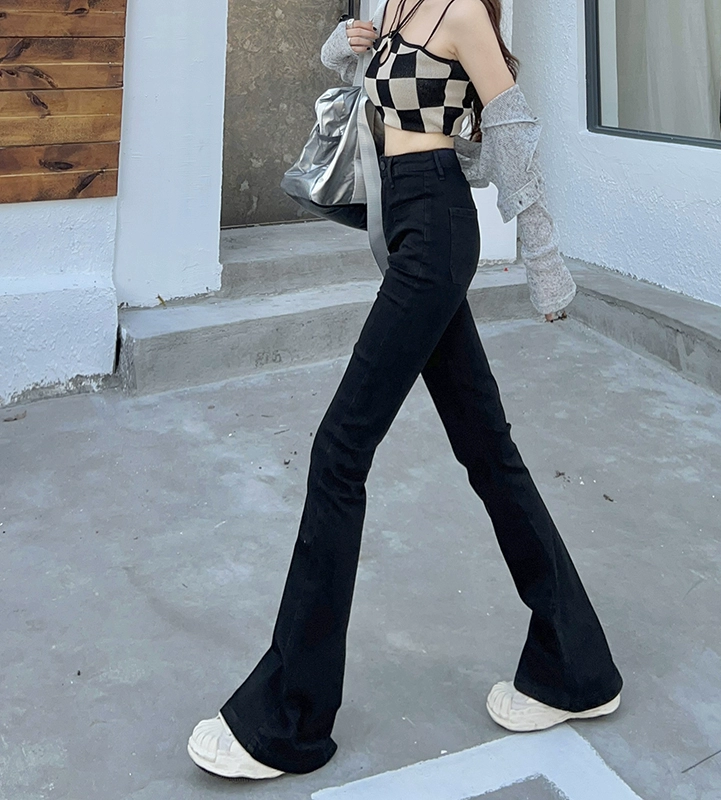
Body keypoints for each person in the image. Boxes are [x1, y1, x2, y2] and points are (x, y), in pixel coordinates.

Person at [187, 0, 623, 780]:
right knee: (488, 451)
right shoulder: (393, 7)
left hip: (437, 229)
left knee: (340, 449)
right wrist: (343, 44)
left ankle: (288, 718)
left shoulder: (461, 12)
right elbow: (363, 91)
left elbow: (512, 130)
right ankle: (577, 667)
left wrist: (543, 259)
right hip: (399, 225)